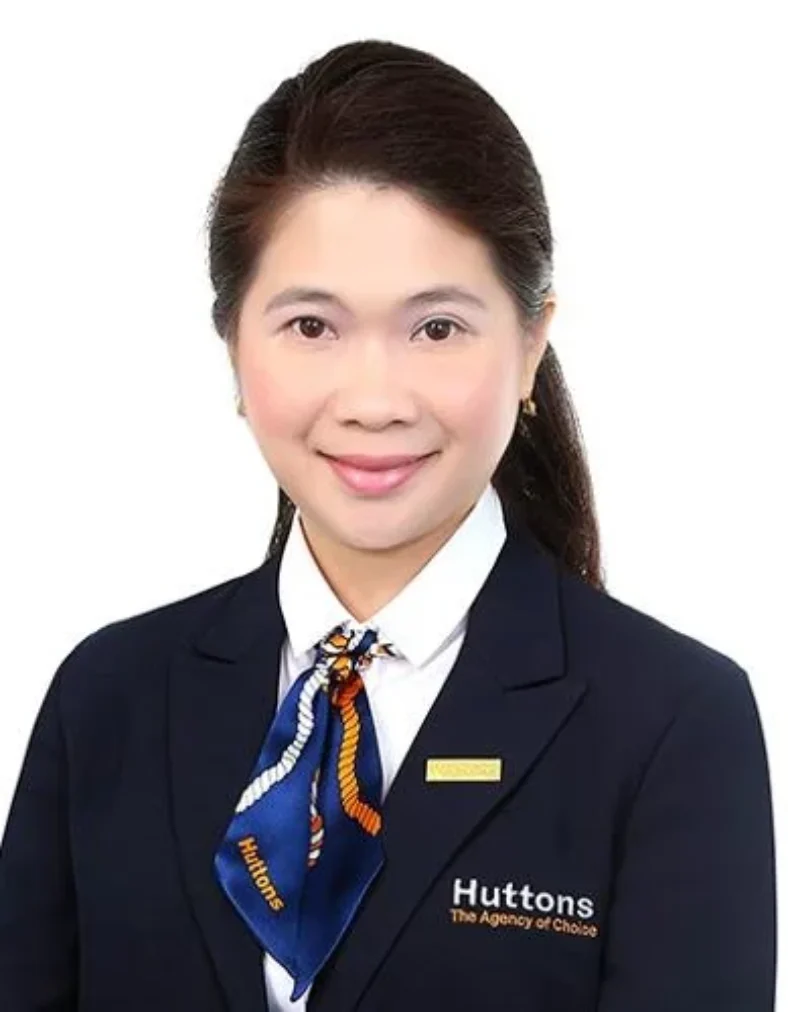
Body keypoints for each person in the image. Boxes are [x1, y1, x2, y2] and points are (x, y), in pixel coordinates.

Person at [0, 37, 776, 1012]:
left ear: (529, 343)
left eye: (436, 328)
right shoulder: (107, 698)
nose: (373, 401)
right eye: (311, 326)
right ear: (233, 343)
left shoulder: (671, 721)